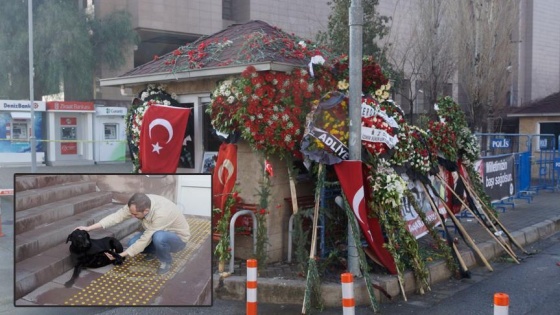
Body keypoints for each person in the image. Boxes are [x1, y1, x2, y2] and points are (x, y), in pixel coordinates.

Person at [76, 193, 190, 275]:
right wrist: (88, 228)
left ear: (145, 211)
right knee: (132, 244)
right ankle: (156, 251)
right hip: (156, 231)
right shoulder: (137, 203)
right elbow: (116, 217)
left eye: (135, 214)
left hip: (177, 239)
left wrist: (120, 255)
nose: (132, 216)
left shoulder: (162, 214)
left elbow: (145, 239)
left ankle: (166, 261)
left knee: (158, 237)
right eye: (131, 213)